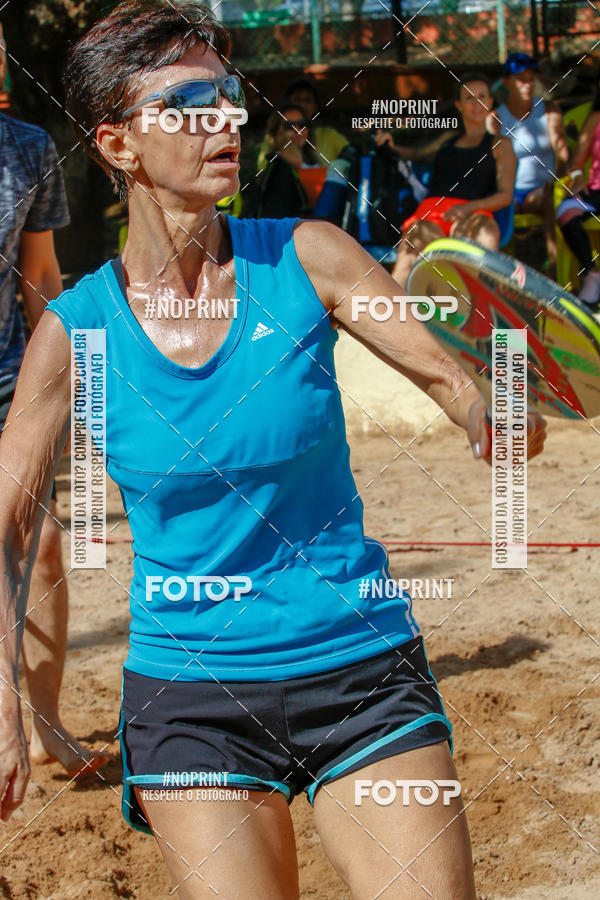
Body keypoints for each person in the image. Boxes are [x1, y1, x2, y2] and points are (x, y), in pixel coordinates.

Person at [0, 3, 546, 896]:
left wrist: (497, 410)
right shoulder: (78, 333)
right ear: (116, 144)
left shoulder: (312, 257)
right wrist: (4, 704)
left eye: (227, 95)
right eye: (186, 102)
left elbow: (462, 389)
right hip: (194, 699)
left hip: (360, 668)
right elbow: (7, 526)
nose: (227, 119)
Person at [0, 24, 108, 779]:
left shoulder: (28, 147)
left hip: (11, 380)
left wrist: (85, 400)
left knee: (39, 551)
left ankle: (47, 728)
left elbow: (42, 278)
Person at [387, 72, 516, 290]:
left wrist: (468, 208)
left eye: (482, 97)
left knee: (483, 236)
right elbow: (417, 154)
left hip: (473, 212)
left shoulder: (500, 144)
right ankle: (388, 318)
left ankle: (483, 316)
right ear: (459, 105)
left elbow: (505, 196)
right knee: (408, 255)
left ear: (490, 102)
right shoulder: (448, 141)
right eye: (469, 98)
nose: (477, 104)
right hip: (431, 213)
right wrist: (390, 146)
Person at [488, 52, 569, 267]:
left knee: (551, 196)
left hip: (542, 191)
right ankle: (500, 273)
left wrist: (557, 180)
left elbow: (562, 154)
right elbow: (491, 162)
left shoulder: (549, 111)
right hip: (510, 192)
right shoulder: (495, 118)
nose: (527, 84)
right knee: (496, 205)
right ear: (506, 82)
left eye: (531, 79)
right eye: (520, 79)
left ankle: (554, 266)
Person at [556, 86, 600, 306]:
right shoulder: (595, 118)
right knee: (565, 211)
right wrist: (578, 176)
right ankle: (591, 275)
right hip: (595, 191)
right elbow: (575, 163)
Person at [257, 77, 348, 171]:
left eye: (307, 100)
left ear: (315, 106)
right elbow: (263, 172)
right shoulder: (275, 136)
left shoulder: (329, 135)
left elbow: (352, 159)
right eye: (297, 99)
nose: (302, 105)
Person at [253, 104, 321, 218]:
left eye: (302, 124)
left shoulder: (315, 162)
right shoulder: (276, 170)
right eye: (289, 126)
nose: (298, 130)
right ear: (275, 133)